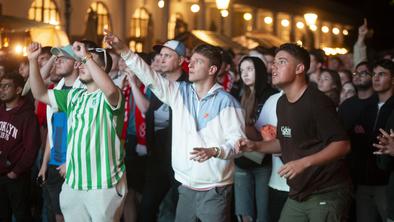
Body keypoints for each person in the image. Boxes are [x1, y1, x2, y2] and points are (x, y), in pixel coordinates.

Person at [105, 32, 245, 222]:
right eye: (191, 60)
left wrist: (215, 151)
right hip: (185, 185)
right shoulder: (179, 93)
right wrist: (124, 51)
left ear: (212, 69)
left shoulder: (226, 102)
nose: (191, 64)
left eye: (198, 62)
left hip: (215, 188)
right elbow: (149, 76)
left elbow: (238, 143)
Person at [237, 43, 351, 222]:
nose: (274, 67)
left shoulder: (318, 102)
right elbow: (283, 141)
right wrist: (255, 145)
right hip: (298, 192)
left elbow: (342, 145)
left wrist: (304, 163)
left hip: (325, 192)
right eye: (274, 63)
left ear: (300, 68)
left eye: (281, 62)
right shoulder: (282, 102)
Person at [27, 41, 127, 222]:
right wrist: (32, 61)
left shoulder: (112, 95)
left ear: (102, 68)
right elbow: (40, 94)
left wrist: (86, 56)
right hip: (73, 184)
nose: (80, 64)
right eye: (79, 61)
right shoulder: (74, 95)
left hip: (103, 185)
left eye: (87, 61)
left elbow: (110, 90)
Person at [37, 44, 82, 222]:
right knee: (58, 215)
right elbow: (52, 131)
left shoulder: (85, 91)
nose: (58, 61)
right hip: (54, 162)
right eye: (57, 58)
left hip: (74, 165)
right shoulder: (56, 90)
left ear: (77, 63)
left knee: (75, 216)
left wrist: (69, 161)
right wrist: (44, 164)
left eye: (64, 58)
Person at [234, 56, 276, 222]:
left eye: (249, 69)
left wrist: (243, 126)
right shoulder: (239, 94)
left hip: (262, 160)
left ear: (259, 70)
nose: (245, 74)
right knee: (244, 213)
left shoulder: (270, 95)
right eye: (242, 70)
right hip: (241, 159)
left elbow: (269, 131)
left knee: (263, 213)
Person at [351, 59, 394, 222]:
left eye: (382, 74)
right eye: (374, 74)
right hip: (363, 182)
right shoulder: (366, 108)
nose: (376, 78)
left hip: (387, 183)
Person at [0, 72, 41, 222]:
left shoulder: (27, 116)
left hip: (16, 177)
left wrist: (16, 171)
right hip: (1, 174)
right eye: (0, 86)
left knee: (22, 215)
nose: (2, 90)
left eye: (7, 86)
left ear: (18, 90)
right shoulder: (1, 110)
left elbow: (31, 148)